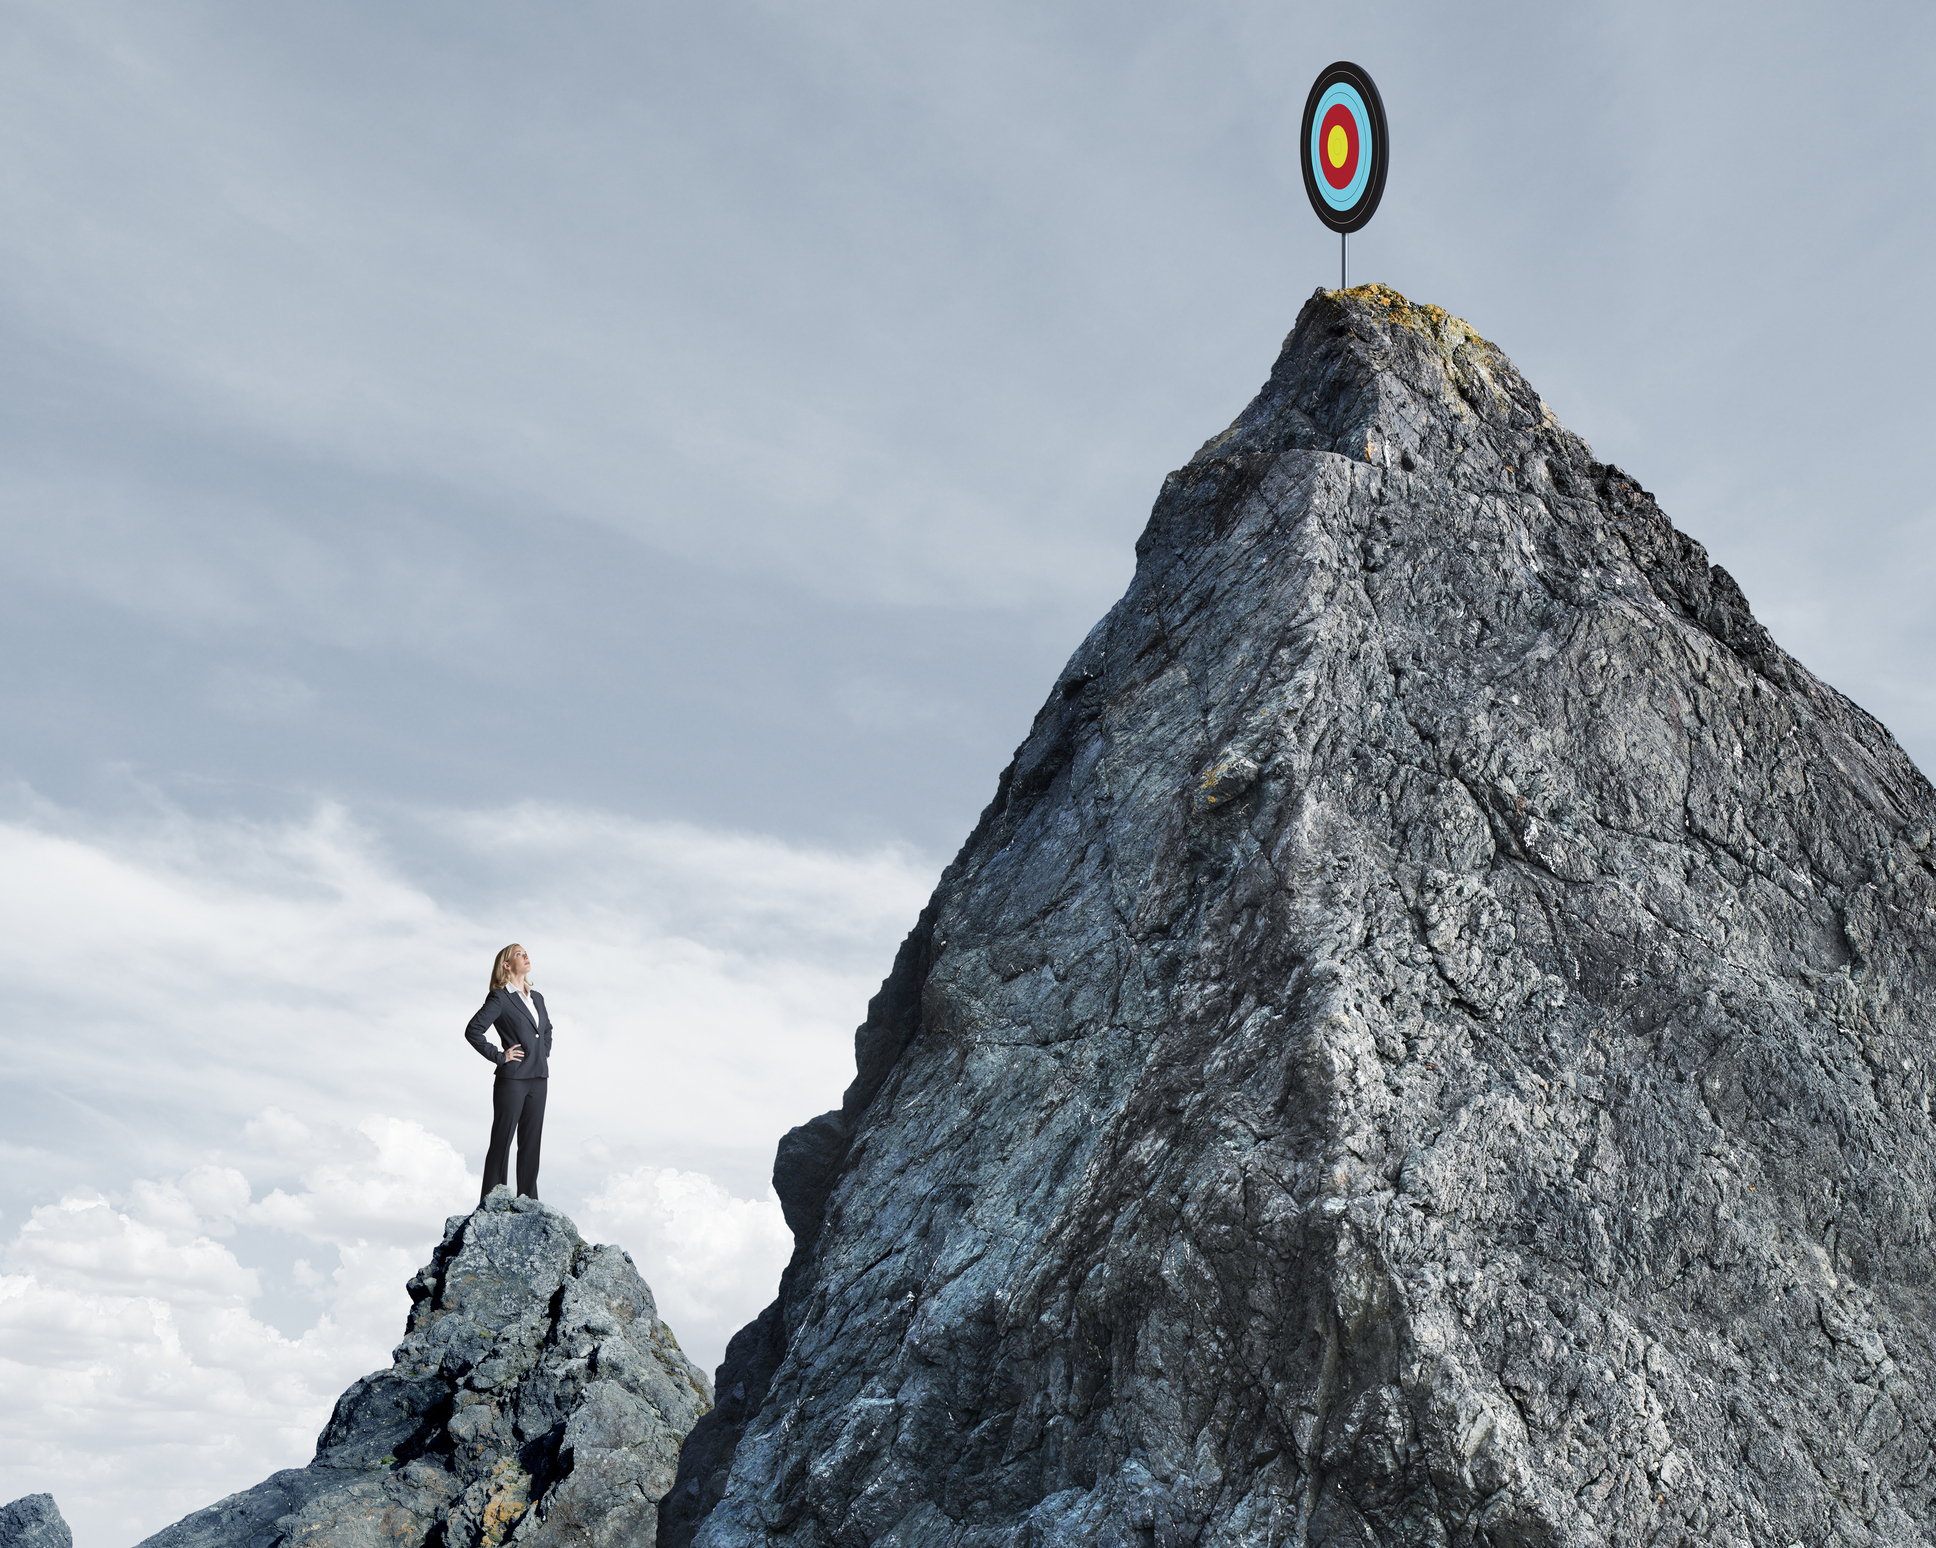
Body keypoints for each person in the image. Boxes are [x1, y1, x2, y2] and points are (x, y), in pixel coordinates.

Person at [465, 943, 553, 1202]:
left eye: (526, 953)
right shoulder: (500, 997)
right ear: (506, 965)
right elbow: (473, 1030)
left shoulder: (537, 998)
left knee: (531, 1143)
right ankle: (492, 1201)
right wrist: (500, 1056)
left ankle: (529, 1202)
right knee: (502, 1141)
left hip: (539, 1078)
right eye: (518, 954)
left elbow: (546, 1030)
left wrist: (541, 1052)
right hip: (512, 1079)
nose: (525, 956)